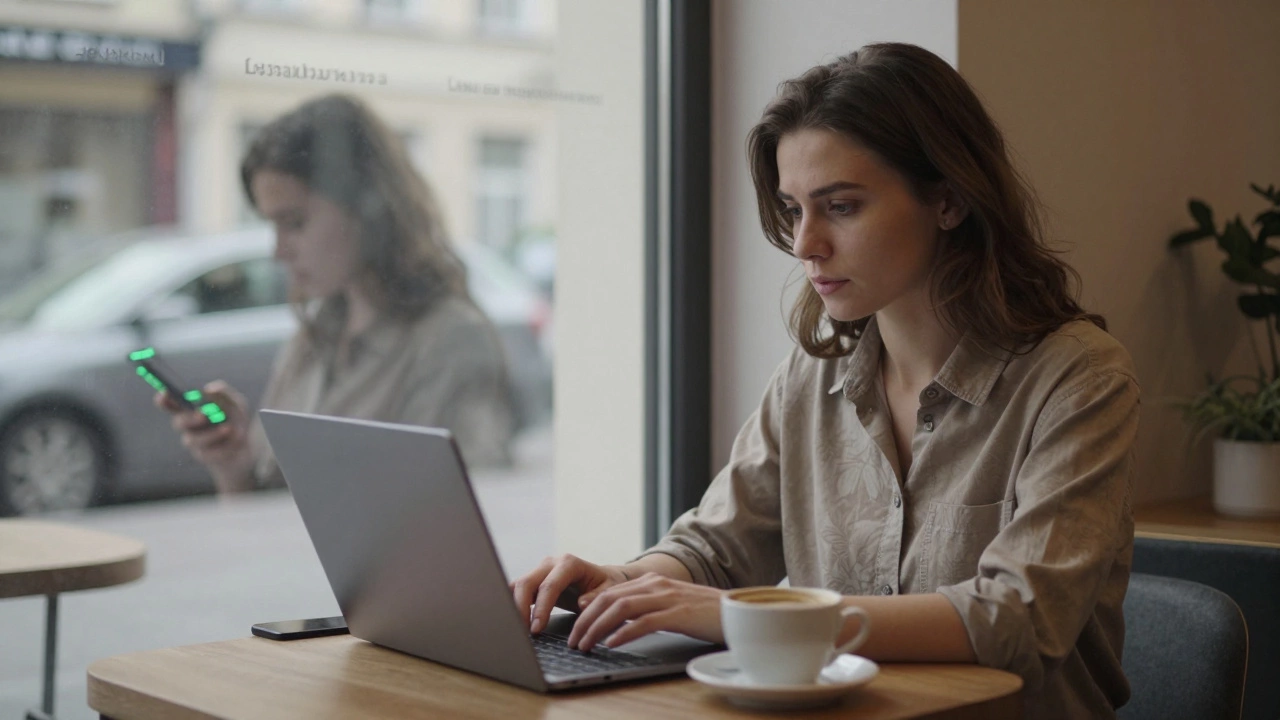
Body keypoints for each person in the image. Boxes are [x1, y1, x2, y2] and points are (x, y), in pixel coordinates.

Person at [512, 43, 1138, 719]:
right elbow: (717, 549)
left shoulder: (1079, 379)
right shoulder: (812, 378)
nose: (805, 244)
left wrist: (739, 616)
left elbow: (1016, 621)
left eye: (840, 207)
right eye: (793, 209)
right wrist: (628, 581)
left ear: (949, 200)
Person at [160, 93, 515, 492]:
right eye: (272, 226)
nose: (278, 252)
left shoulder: (449, 341)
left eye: (294, 223)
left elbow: (465, 521)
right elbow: (265, 522)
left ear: (367, 207)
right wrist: (234, 464)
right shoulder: (314, 336)